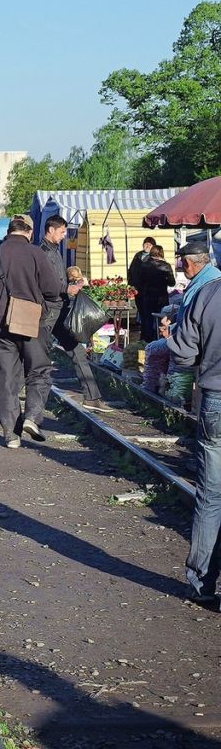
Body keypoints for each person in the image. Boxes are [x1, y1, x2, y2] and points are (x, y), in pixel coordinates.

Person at [0, 215, 63, 447]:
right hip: (30, 321)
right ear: (30, 232)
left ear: (9, 231)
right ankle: (32, 417)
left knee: (4, 378)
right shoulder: (36, 254)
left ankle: (10, 434)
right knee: (39, 370)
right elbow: (52, 290)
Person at [165, 248, 221, 608]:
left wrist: (171, 336)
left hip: (217, 397)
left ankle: (201, 584)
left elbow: (184, 355)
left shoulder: (207, 294)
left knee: (211, 495)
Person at [40, 215, 113, 413]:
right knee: (39, 357)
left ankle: (92, 397)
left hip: (60, 310)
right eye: (62, 232)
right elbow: (46, 283)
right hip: (48, 313)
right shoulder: (43, 253)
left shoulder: (53, 251)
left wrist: (69, 287)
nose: (64, 236)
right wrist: (66, 288)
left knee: (78, 353)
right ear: (51, 229)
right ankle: (34, 401)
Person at [138, 245, 176, 341]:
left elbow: (140, 282)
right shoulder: (166, 266)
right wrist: (164, 280)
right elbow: (172, 283)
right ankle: (161, 342)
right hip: (161, 297)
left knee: (148, 322)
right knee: (162, 321)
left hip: (148, 297)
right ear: (161, 253)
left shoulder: (143, 265)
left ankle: (148, 343)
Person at [128, 237, 156, 335]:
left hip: (149, 290)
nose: (147, 246)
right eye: (145, 244)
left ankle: (148, 334)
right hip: (137, 289)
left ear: (153, 247)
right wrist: (131, 284)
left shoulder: (154, 257)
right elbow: (131, 270)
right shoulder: (138, 255)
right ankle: (143, 334)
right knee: (141, 312)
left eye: (150, 244)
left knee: (148, 313)